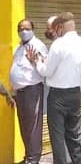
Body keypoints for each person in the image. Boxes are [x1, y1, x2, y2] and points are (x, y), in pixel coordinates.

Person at [31, 12, 81, 164]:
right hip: (76, 93)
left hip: (58, 96)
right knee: (75, 135)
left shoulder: (59, 44)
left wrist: (38, 62)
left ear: (59, 27)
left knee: (57, 136)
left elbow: (47, 71)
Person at [9, 19, 46, 164]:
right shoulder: (19, 47)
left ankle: (33, 159)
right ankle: (28, 157)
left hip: (32, 91)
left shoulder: (37, 46)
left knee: (33, 127)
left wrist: (34, 61)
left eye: (26, 28)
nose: (23, 31)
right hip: (20, 92)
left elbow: (44, 69)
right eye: (20, 28)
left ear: (32, 29)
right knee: (24, 125)